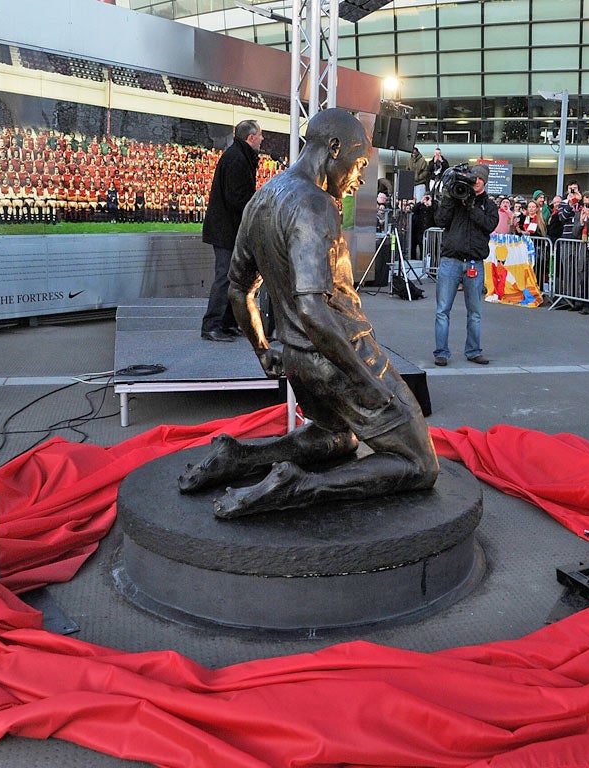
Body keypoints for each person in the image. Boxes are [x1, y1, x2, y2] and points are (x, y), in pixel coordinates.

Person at [178, 108, 438, 516]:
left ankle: (238, 459)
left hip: (298, 358)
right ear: (334, 148)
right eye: (360, 163)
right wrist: (362, 376)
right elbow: (314, 309)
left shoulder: (263, 197)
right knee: (420, 463)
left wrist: (264, 350)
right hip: (339, 353)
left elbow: (237, 288)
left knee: (337, 438)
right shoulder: (315, 205)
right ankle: (300, 487)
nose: (360, 178)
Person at [200, 119, 262, 342]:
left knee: (232, 277)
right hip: (226, 230)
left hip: (230, 229)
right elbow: (237, 198)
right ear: (251, 137)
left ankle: (227, 323)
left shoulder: (240, 155)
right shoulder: (237, 158)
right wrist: (257, 205)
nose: (263, 139)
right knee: (225, 277)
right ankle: (212, 325)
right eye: (261, 135)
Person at [433, 163, 498, 366]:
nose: (475, 182)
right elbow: (441, 220)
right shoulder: (455, 198)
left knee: (475, 312)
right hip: (450, 261)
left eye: (479, 179)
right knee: (442, 310)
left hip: (474, 263)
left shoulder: (489, 205)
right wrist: (449, 199)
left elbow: (489, 225)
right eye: (473, 178)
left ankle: (473, 351)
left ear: (484, 181)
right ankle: (441, 353)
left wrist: (472, 208)